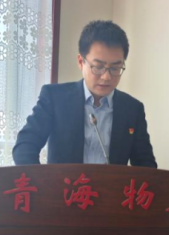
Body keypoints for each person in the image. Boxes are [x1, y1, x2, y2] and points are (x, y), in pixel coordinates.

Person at [12, 20, 157, 168]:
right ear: (81, 62)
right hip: (66, 183)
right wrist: (42, 180)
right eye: (98, 67)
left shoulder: (133, 109)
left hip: (112, 184)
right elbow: (25, 146)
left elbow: (146, 165)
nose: (106, 77)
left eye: (115, 68)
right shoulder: (55, 98)